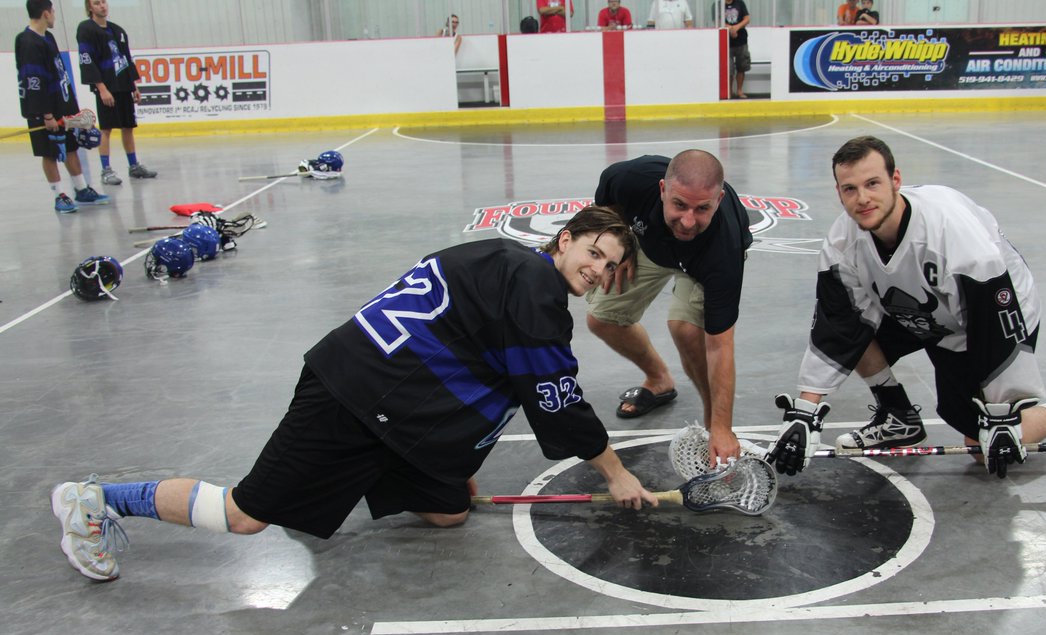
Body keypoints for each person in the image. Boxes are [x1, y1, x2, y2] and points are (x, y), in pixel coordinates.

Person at [51, 206, 660, 582]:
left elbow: (472, 347)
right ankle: (97, 500)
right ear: (564, 240)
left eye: (609, 267)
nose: (598, 270)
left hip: (393, 402)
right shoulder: (535, 291)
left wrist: (450, 451)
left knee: (448, 511)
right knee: (242, 516)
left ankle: (373, 475)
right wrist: (613, 472)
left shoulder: (503, 260)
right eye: (593, 253)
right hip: (354, 397)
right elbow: (552, 396)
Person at [768, 136, 1046, 480]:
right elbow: (839, 326)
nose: (863, 198)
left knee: (981, 444)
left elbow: (992, 325)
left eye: (873, 184)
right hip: (917, 310)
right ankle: (897, 415)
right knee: (856, 328)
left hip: (992, 315)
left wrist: (1001, 415)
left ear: (895, 180)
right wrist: (805, 413)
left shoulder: (953, 235)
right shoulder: (842, 244)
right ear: (839, 193)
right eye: (850, 189)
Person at [586, 150, 752, 469]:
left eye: (702, 208)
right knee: (602, 319)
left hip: (702, 260)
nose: (688, 221)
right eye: (679, 204)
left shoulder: (724, 249)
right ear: (662, 190)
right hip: (650, 242)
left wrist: (722, 427)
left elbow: (719, 346)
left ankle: (710, 427)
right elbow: (605, 203)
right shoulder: (630, 179)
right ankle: (659, 379)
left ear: (718, 200)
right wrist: (619, 243)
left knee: (686, 330)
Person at [14, 0, 108, 214]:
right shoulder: (28, 42)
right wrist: (46, 115)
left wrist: (70, 110)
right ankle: (59, 195)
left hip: (61, 105)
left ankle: (81, 189)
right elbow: (34, 80)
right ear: (46, 13)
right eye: (53, 11)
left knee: (71, 146)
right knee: (49, 152)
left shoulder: (48, 38)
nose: (55, 15)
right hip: (42, 110)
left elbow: (58, 74)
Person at [75, 0, 156, 185]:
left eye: (103, 2)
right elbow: (87, 60)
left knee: (128, 126)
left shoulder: (117, 30)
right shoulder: (86, 29)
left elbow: (126, 58)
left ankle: (133, 165)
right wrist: (101, 88)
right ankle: (106, 170)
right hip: (107, 87)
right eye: (97, 3)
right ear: (90, 7)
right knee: (106, 128)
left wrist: (133, 85)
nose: (102, 6)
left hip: (123, 86)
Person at [724, 0, 751, 99]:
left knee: (742, 67)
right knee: (729, 69)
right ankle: (729, 91)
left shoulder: (740, 3)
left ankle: (739, 90)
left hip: (741, 40)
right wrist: (730, 29)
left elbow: (747, 19)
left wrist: (736, 27)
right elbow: (718, 21)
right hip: (726, 42)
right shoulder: (718, 5)